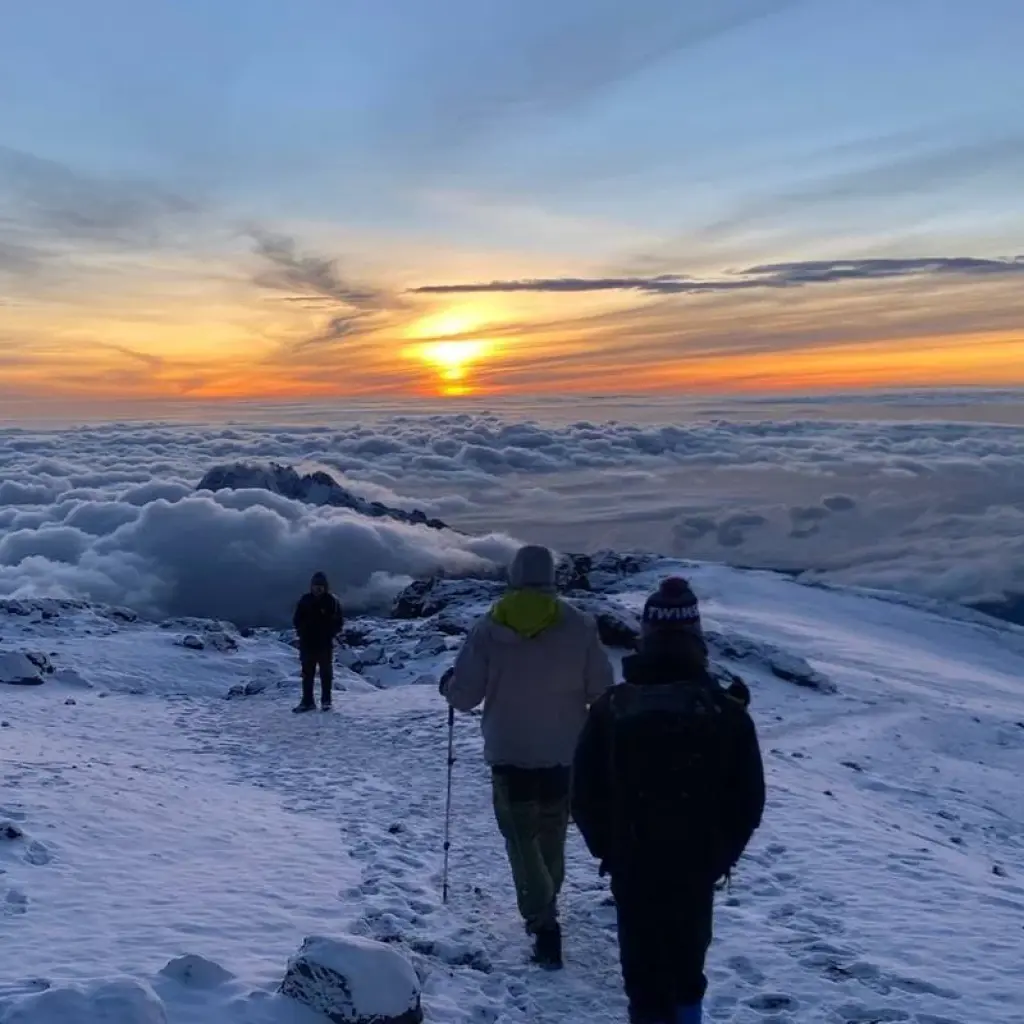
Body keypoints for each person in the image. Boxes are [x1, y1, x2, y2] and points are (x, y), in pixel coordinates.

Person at [571, 577, 765, 1024]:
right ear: (696, 634)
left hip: (633, 862)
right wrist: (719, 856)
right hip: (696, 865)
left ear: (647, 633)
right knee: (686, 971)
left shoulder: (612, 708)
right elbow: (748, 800)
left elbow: (583, 793)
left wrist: (610, 848)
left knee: (642, 976)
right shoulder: (726, 711)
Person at [440, 544, 614, 969]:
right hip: (563, 752)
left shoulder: (489, 627)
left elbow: (464, 696)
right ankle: (547, 899)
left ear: (513, 577)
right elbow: (601, 690)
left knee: (520, 840)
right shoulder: (580, 625)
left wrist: (447, 684)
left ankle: (542, 921)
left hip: (509, 751)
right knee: (552, 832)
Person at [292, 571, 345, 713]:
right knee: (307, 673)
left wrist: (330, 632)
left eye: (321, 586)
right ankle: (307, 701)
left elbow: (339, 621)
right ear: (311, 586)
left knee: (325, 673)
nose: (318, 588)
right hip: (307, 642)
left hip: (324, 643)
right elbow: (296, 619)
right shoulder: (305, 600)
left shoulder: (331, 601)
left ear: (325, 587)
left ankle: (326, 701)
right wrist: (302, 631)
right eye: (316, 585)